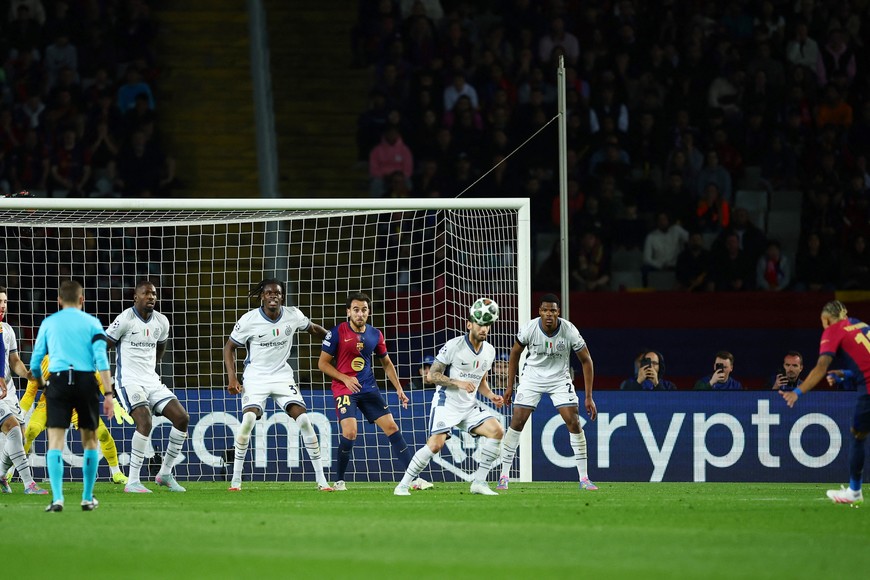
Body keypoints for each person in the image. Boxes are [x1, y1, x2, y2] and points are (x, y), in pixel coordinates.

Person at [224, 278, 333, 492]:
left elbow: (313, 329)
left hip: (282, 376)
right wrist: (232, 378)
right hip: (256, 377)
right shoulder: (249, 320)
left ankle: (322, 481)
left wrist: (335, 339)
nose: (273, 296)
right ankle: (235, 481)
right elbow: (229, 347)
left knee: (303, 420)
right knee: (247, 420)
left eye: (277, 293)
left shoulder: (293, 315)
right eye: (269, 293)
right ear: (262, 296)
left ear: (282, 296)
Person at [318, 292, 431, 491]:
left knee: (392, 428)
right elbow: (322, 364)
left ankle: (414, 479)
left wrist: (399, 389)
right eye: (355, 310)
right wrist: (345, 378)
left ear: (368, 312)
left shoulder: (375, 334)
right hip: (344, 388)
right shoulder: (336, 332)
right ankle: (339, 481)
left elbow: (386, 364)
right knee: (350, 433)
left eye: (363, 310)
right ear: (348, 312)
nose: (360, 314)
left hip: (368, 388)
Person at [394, 302, 504, 496]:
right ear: (469, 325)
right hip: (447, 402)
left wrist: (491, 395)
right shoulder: (454, 346)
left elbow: (482, 381)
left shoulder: (490, 351)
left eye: (487, 325)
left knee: (497, 431)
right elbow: (432, 376)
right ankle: (402, 486)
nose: (484, 328)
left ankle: (479, 482)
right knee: (436, 445)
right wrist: (458, 383)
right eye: (479, 324)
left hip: (468, 406)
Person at [498, 294, 597, 491]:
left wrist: (588, 397)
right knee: (517, 421)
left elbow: (587, 360)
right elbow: (514, 353)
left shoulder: (569, 330)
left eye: (553, 310)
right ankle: (503, 476)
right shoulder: (530, 328)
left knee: (574, 421)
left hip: (559, 379)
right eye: (545, 310)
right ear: (539, 312)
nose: (549, 314)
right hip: (532, 377)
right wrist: (510, 386)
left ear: (558, 312)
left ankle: (584, 478)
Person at [31, 280, 114, 512]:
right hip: (86, 381)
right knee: (90, 441)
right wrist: (108, 393)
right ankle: (87, 498)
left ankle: (57, 499)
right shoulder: (92, 323)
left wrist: (42, 384)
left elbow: (35, 362)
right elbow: (102, 360)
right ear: (81, 300)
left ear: (59, 300)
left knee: (55, 441)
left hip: (57, 381)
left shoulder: (49, 323)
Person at [781, 301, 869, 504]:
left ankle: (854, 492)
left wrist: (797, 391)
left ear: (826, 319)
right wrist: (846, 374)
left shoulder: (833, 330)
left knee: (858, 436)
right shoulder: (861, 325)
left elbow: (821, 368)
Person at [105, 280, 188, 493]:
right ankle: (132, 481)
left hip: (151, 381)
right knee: (144, 421)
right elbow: (103, 346)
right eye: (146, 293)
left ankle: (165, 474)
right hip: (128, 381)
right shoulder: (125, 319)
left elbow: (161, 348)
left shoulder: (162, 321)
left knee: (182, 418)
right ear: (136, 297)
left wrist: (150, 371)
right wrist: (109, 382)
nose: (151, 297)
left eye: (153, 294)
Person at [5, 353, 130, 486]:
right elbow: (30, 392)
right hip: (50, 405)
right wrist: (20, 415)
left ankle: (116, 473)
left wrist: (114, 402)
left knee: (103, 434)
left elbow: (100, 381)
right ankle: (9, 471)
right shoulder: (47, 361)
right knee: (30, 431)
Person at [0, 286, 49, 495]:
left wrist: (27, 374)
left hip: (8, 390)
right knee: (11, 428)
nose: (2, 306)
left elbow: (14, 360)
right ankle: (29, 483)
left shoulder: (7, 329)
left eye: (4, 302)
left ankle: (1, 476)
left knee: (19, 437)